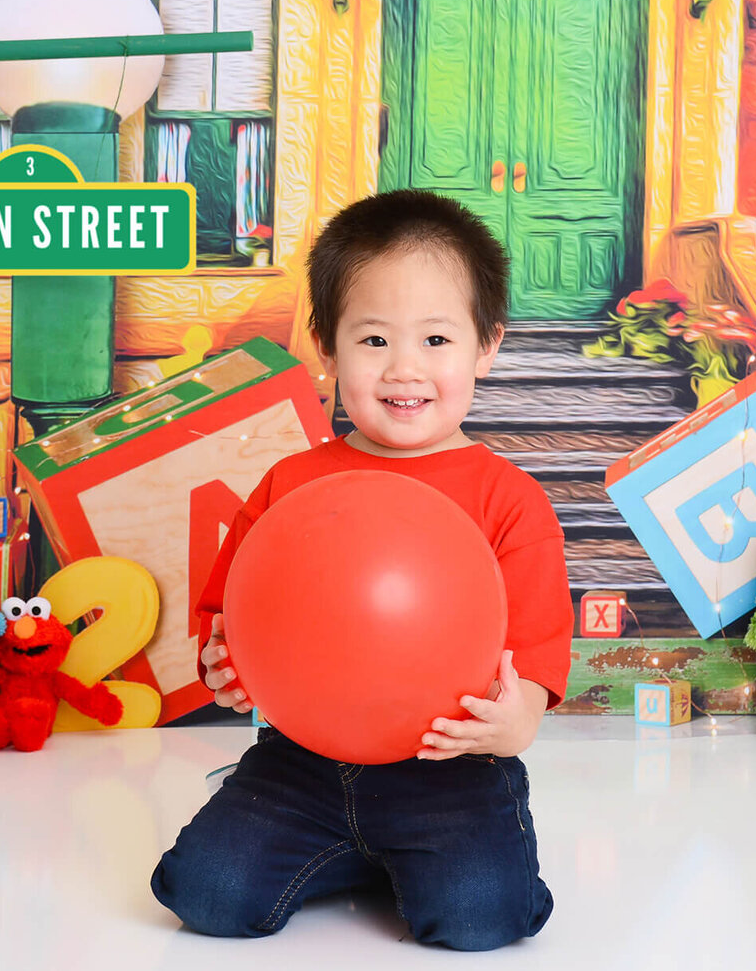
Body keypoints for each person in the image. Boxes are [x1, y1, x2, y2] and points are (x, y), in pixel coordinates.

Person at [150, 189, 572, 950]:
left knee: (481, 918)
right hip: (303, 763)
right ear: (326, 346)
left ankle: (419, 853)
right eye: (374, 340)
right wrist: (227, 669)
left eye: (437, 341)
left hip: (449, 767)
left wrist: (513, 722)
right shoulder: (290, 487)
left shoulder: (510, 500)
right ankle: (354, 850)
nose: (404, 369)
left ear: (487, 345)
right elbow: (232, 628)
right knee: (205, 896)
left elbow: (534, 667)